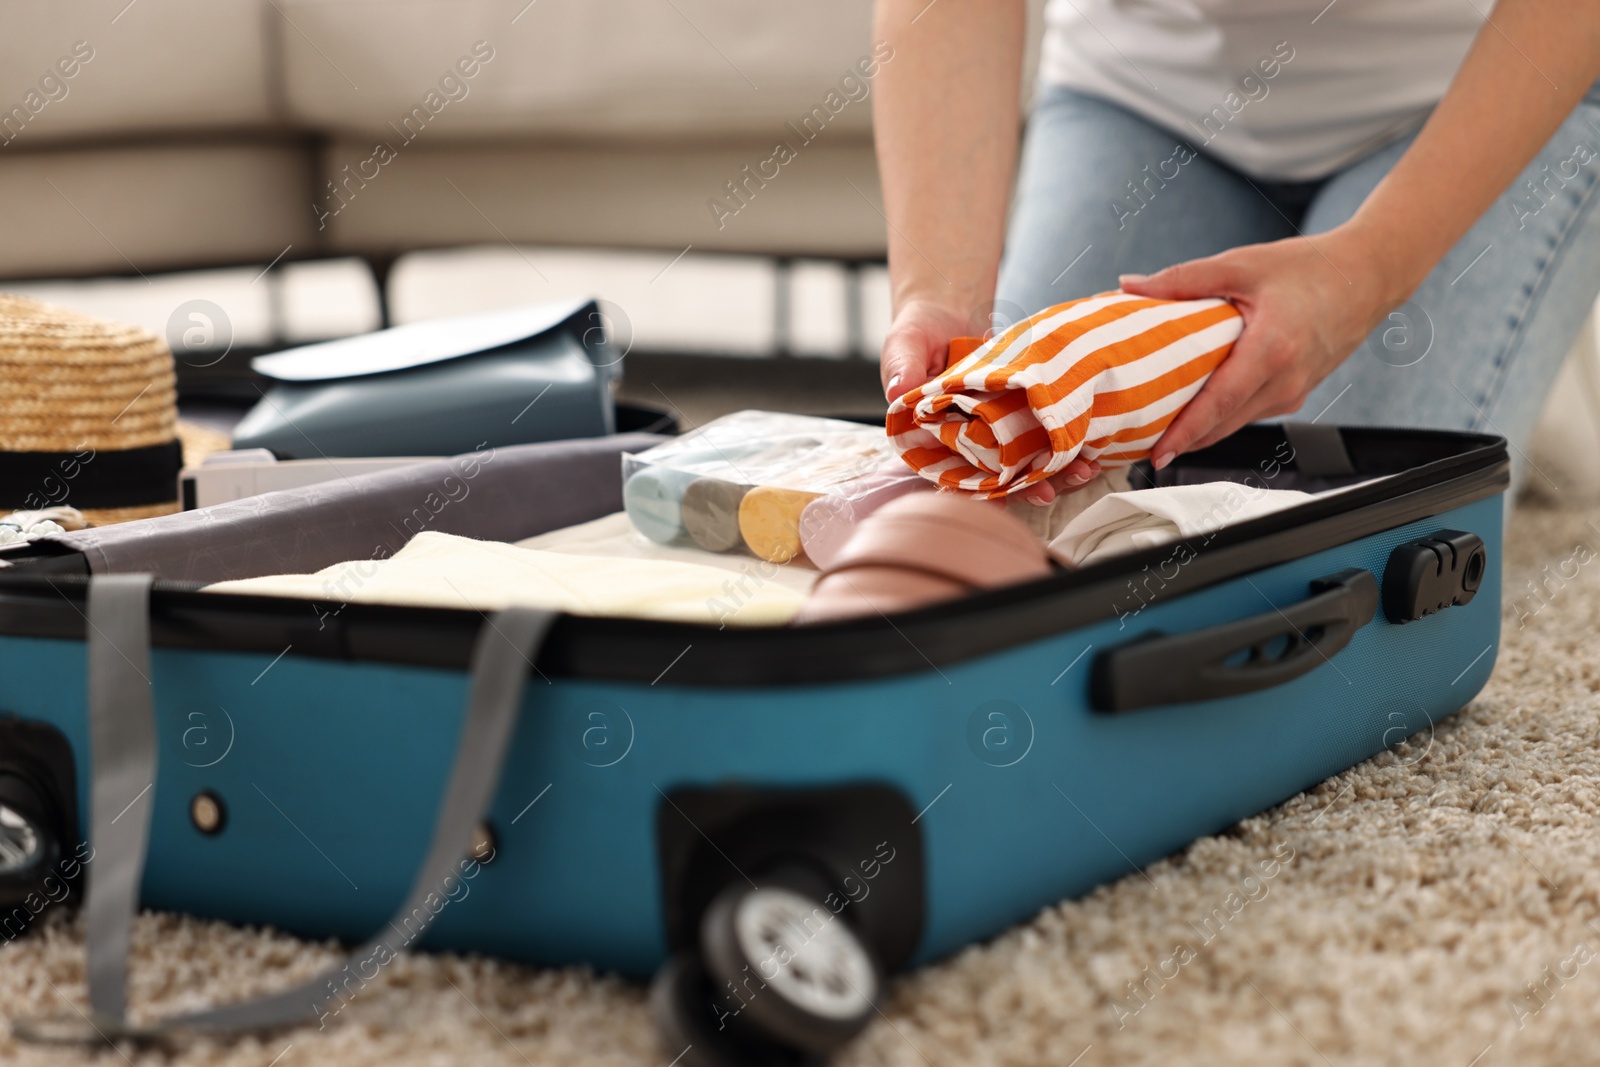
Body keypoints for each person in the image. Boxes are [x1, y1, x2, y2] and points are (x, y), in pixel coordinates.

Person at [872, 0, 1600, 501]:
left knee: (1342, 532)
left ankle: (1530, 347)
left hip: (1457, 88)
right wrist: (940, 294)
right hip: (1147, 93)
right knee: (1014, 466)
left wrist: (1367, 270)